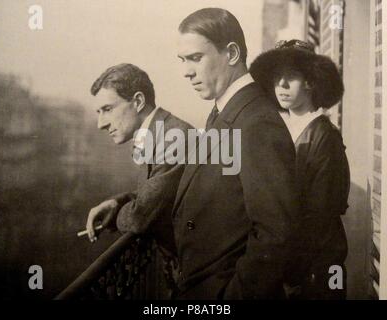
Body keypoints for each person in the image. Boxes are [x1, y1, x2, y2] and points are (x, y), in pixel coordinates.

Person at [173, 8, 300, 299]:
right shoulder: (227, 112)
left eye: (195, 58)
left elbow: (275, 235)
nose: (186, 71)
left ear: (231, 53)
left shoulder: (256, 122)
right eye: (182, 60)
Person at [249, 39, 350, 299]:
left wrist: (292, 269)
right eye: (277, 77)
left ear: (310, 82)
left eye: (291, 77)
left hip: (317, 263)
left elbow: (320, 214)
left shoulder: (323, 136)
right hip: (286, 259)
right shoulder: (281, 129)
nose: (281, 85)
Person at [85, 63, 192, 264]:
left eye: (107, 109)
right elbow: (160, 193)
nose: (101, 124)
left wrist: (117, 212)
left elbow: (139, 218)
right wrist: (117, 202)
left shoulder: (172, 138)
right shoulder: (161, 131)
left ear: (138, 101)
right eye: (98, 112)